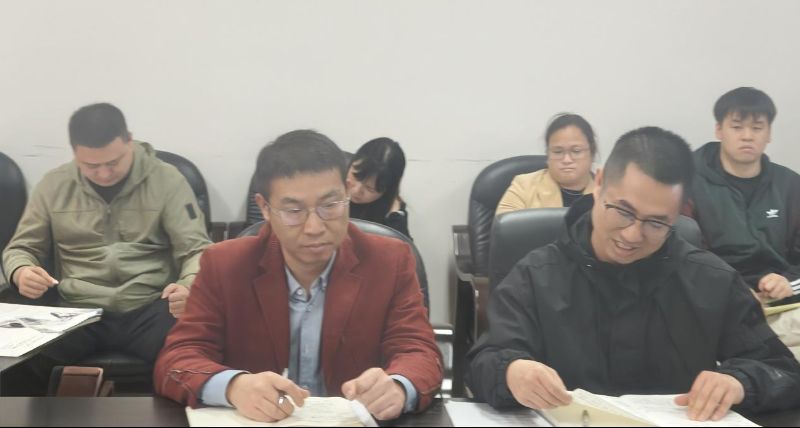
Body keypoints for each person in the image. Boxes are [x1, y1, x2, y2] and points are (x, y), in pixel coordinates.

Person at [467, 126, 800, 421]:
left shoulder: (711, 281)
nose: (632, 235)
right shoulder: (537, 275)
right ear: (599, 184)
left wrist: (739, 382)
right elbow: (483, 362)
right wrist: (512, 371)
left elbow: (783, 372)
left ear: (677, 214)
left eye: (656, 223)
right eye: (623, 211)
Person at [154, 130, 441, 423]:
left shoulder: (390, 261)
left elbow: (419, 352)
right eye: (293, 210)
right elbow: (177, 360)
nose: (314, 227)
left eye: (329, 205)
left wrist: (398, 386)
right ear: (264, 208)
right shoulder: (225, 264)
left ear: (347, 192)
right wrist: (233, 386)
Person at [2, 103, 211, 393]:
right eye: (91, 166)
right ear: (75, 153)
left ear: (129, 141)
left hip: (150, 304)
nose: (103, 174)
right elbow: (21, 248)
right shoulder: (54, 185)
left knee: (197, 356)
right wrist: (21, 271)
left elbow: (196, 249)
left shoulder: (167, 180)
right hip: (76, 310)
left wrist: (188, 285)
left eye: (113, 162)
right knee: (16, 363)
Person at [683, 87, 800, 302]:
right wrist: (728, 290)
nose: (747, 136)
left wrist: (789, 283)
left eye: (757, 128)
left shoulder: (791, 185)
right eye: (737, 127)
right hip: (715, 298)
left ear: (769, 134)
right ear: (719, 130)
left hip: (781, 297)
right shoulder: (688, 183)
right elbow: (682, 258)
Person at [496, 113, 597, 215]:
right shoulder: (523, 186)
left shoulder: (604, 192)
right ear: (548, 155)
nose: (567, 160)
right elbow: (503, 223)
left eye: (576, 151)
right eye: (558, 152)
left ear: (592, 153)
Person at [347, 137, 411, 238]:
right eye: (355, 176)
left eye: (370, 189)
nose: (356, 190)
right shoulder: (331, 177)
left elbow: (404, 246)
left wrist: (394, 219)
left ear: (386, 191)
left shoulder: (392, 215)